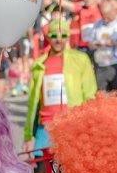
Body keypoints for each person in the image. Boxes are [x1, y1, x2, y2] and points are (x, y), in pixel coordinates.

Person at [24, 19, 97, 151]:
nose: (58, 40)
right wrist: (28, 136)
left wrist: (90, 127)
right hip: (45, 128)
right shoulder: (38, 64)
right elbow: (32, 103)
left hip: (73, 126)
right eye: (54, 35)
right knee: (42, 164)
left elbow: (90, 94)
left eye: (63, 35)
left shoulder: (80, 59)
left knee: (67, 164)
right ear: (47, 37)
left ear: (68, 37)